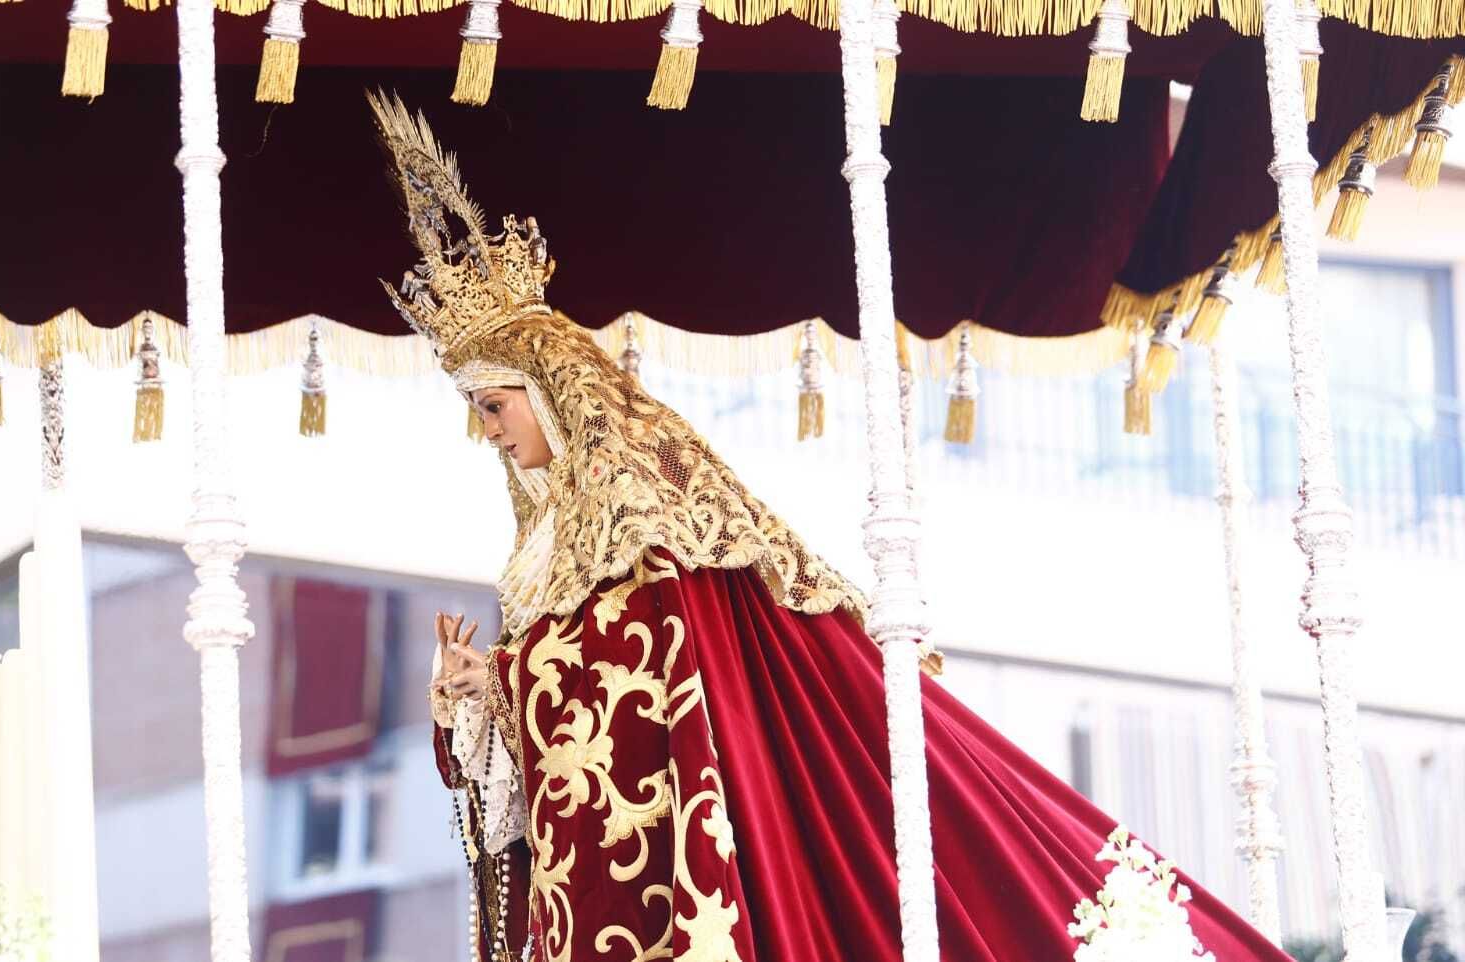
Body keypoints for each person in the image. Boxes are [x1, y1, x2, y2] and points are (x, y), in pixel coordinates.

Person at [369, 90, 1294, 962]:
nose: (490, 436)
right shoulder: (545, 564)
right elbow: (554, 763)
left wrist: (514, 676)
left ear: (558, 398)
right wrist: (476, 705)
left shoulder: (661, 545)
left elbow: (643, 698)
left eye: (497, 406)